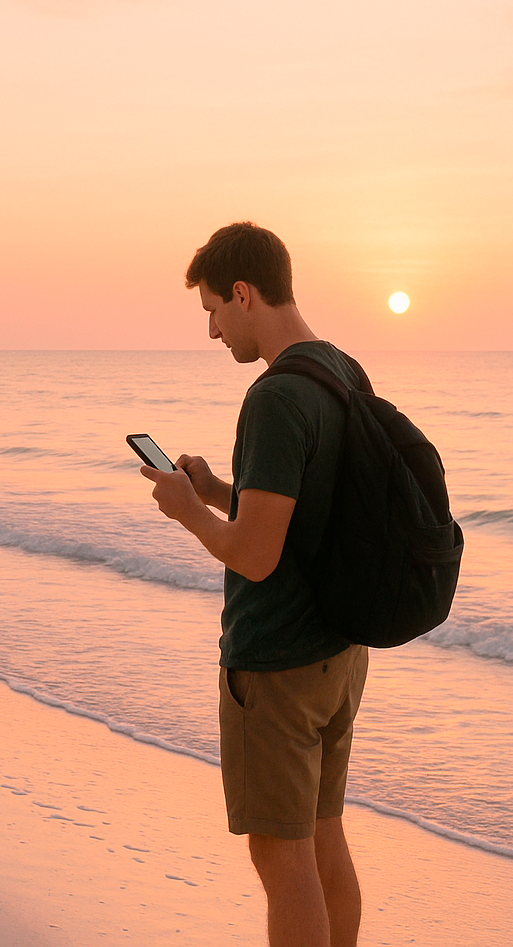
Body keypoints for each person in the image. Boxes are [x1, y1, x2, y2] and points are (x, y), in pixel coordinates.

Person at [140, 221, 369, 947]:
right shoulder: (342, 371)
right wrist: (214, 493)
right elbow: (299, 517)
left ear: (243, 294)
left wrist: (185, 515)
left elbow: (258, 558)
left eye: (211, 309)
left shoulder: (273, 397)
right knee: (324, 836)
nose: (211, 330)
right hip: (340, 652)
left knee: (281, 852)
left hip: (277, 665)